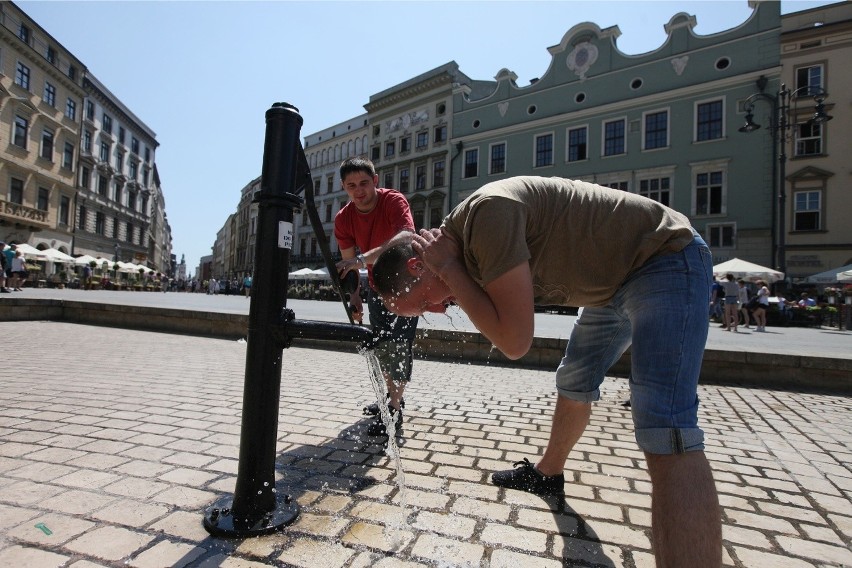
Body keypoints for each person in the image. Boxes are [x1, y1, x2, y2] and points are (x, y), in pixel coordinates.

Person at [372, 176, 721, 566]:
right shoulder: (466, 253)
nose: (438, 311)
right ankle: (548, 473)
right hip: (611, 287)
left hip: (665, 257)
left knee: (664, 424)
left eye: (424, 305)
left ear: (421, 265)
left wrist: (451, 270)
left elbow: (515, 341)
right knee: (574, 377)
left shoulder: (485, 218)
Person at [334, 157, 418, 437]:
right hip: (376, 286)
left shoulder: (394, 201)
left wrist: (365, 258)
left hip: (408, 284)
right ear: (344, 188)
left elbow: (407, 236)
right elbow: (348, 266)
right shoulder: (344, 218)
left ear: (375, 181)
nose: (359, 191)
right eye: (351, 185)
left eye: (364, 183)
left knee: (400, 344)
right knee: (382, 344)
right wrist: (354, 296)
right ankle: (392, 397)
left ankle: (393, 409)